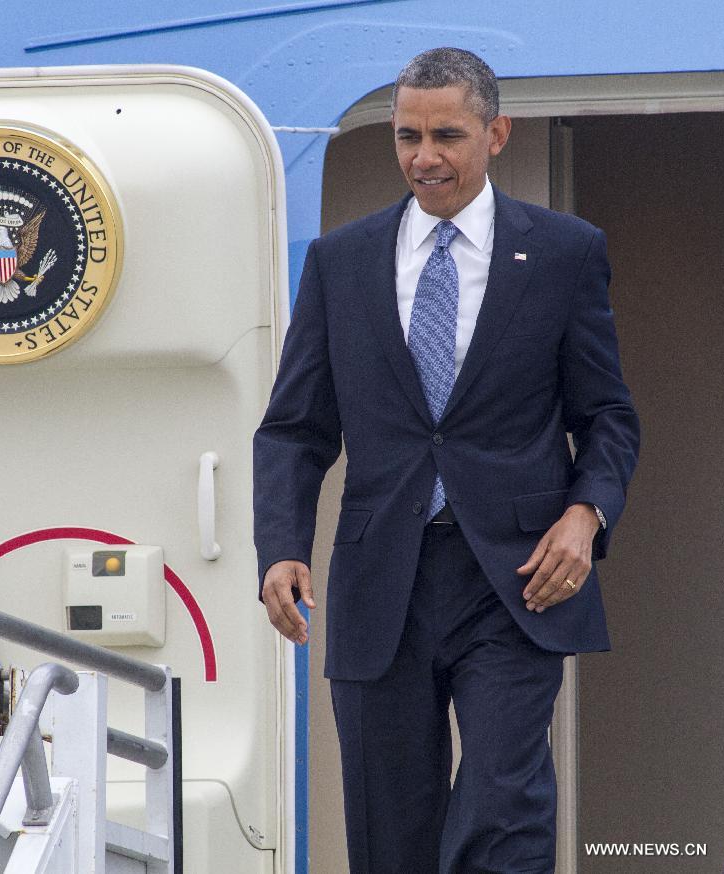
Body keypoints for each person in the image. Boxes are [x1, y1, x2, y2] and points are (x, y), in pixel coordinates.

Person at [253, 47, 639, 874]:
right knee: (391, 836)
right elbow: (294, 429)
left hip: (515, 577)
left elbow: (607, 415)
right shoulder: (340, 262)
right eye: (407, 136)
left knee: (502, 807)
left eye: (447, 136)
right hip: (379, 579)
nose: (424, 157)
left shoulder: (566, 253)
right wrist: (281, 546)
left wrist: (586, 511)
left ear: (495, 134)